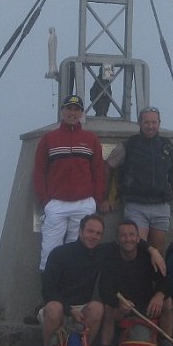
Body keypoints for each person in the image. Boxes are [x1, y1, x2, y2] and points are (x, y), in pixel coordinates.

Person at [40, 214, 167, 346]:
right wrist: (69, 310)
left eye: (98, 233)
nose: (93, 236)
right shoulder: (59, 253)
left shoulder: (102, 251)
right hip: (59, 305)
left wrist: (152, 250)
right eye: (90, 231)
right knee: (54, 308)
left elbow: (130, 242)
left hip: (84, 308)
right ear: (80, 231)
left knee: (98, 307)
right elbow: (48, 290)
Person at [34, 94, 107, 270]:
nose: (72, 113)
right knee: (50, 251)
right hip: (56, 204)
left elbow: (99, 171)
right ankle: (50, 295)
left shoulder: (91, 139)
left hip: (84, 204)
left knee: (79, 251)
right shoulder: (48, 139)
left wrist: (95, 199)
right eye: (69, 108)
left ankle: (74, 294)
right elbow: (39, 171)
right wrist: (46, 201)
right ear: (62, 111)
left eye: (76, 109)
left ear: (81, 113)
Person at [103, 106, 173, 253]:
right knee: (138, 248)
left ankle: (154, 277)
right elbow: (108, 167)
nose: (150, 126)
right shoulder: (128, 145)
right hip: (135, 205)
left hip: (161, 205)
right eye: (147, 122)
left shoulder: (168, 146)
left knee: (157, 251)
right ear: (139, 123)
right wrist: (106, 197)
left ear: (159, 123)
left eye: (154, 122)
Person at [97, 220, 173, 346]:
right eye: (123, 236)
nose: (128, 239)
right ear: (117, 240)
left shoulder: (148, 257)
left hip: (147, 307)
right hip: (123, 308)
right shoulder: (110, 260)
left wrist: (159, 294)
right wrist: (118, 302)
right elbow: (104, 290)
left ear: (138, 238)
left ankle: (166, 341)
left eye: (132, 235)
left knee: (167, 301)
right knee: (107, 308)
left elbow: (166, 280)